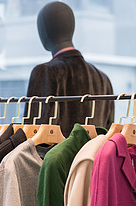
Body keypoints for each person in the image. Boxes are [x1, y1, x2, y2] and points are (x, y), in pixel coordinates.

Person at [24, 1, 114, 137]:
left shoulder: (45, 72)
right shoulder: (103, 79)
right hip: (92, 158)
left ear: (44, 30)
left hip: (53, 158)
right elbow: (107, 135)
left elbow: (33, 135)